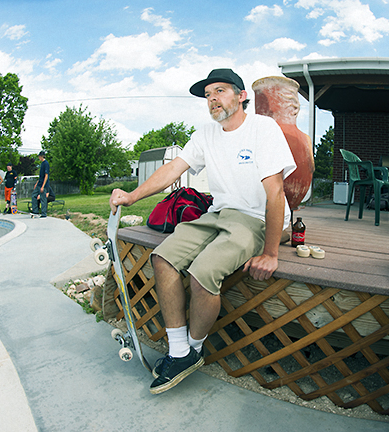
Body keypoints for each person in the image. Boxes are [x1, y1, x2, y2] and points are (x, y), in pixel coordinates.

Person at [110, 68, 296, 395]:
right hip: (219, 213)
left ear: (241, 96)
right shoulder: (206, 134)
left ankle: (193, 349)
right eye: (208, 95)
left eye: (220, 91)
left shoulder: (262, 129)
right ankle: (180, 351)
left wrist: (270, 253)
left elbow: (275, 193)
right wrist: (131, 195)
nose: (212, 99)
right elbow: (172, 169)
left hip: (258, 218)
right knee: (163, 258)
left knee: (202, 273)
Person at [31, 151, 50, 218]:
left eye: (39, 156)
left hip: (43, 185)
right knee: (34, 195)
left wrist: (43, 186)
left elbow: (46, 175)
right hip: (39, 184)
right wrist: (36, 184)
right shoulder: (42, 164)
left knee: (43, 198)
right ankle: (35, 211)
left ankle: (44, 213)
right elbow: (41, 176)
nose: (39, 157)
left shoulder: (46, 163)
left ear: (42, 156)